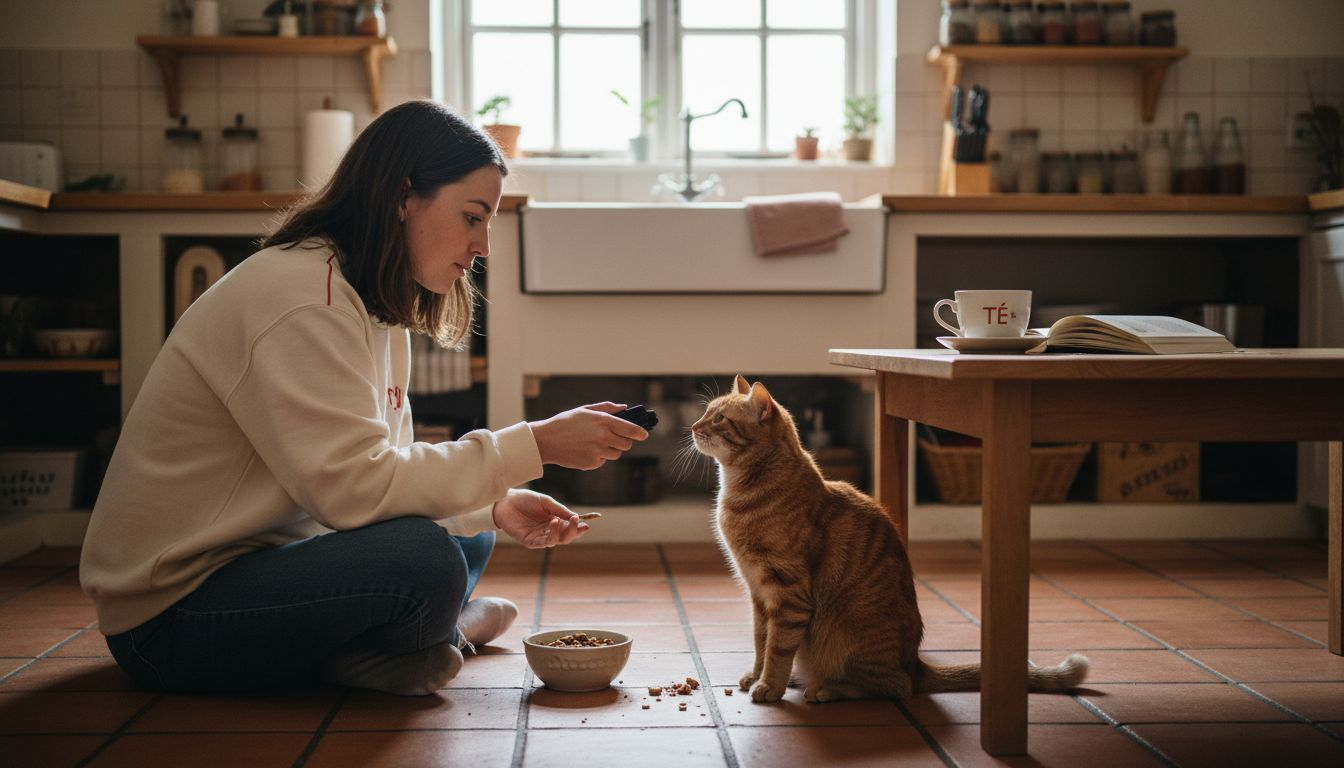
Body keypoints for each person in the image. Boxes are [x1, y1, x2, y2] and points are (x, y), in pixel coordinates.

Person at [79, 100, 648, 696]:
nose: (483, 246)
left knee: (474, 523)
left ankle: (417, 637)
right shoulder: (303, 299)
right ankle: (428, 636)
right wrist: (535, 444)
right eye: (471, 217)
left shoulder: (367, 298)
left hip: (271, 558)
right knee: (424, 557)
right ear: (404, 196)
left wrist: (493, 508)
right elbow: (355, 493)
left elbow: (389, 475)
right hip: (170, 619)